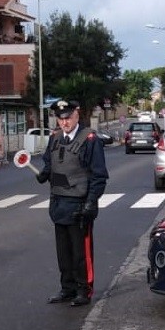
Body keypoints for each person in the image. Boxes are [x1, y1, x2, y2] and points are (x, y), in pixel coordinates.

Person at [36, 100, 108, 306]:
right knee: (63, 252)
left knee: (80, 252)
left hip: (79, 204)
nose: (64, 122)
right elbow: (50, 163)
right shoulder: (55, 138)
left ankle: (83, 290)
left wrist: (91, 203)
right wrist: (44, 173)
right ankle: (67, 288)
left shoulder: (90, 139)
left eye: (68, 118)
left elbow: (99, 175)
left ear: (76, 116)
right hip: (58, 203)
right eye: (61, 119)